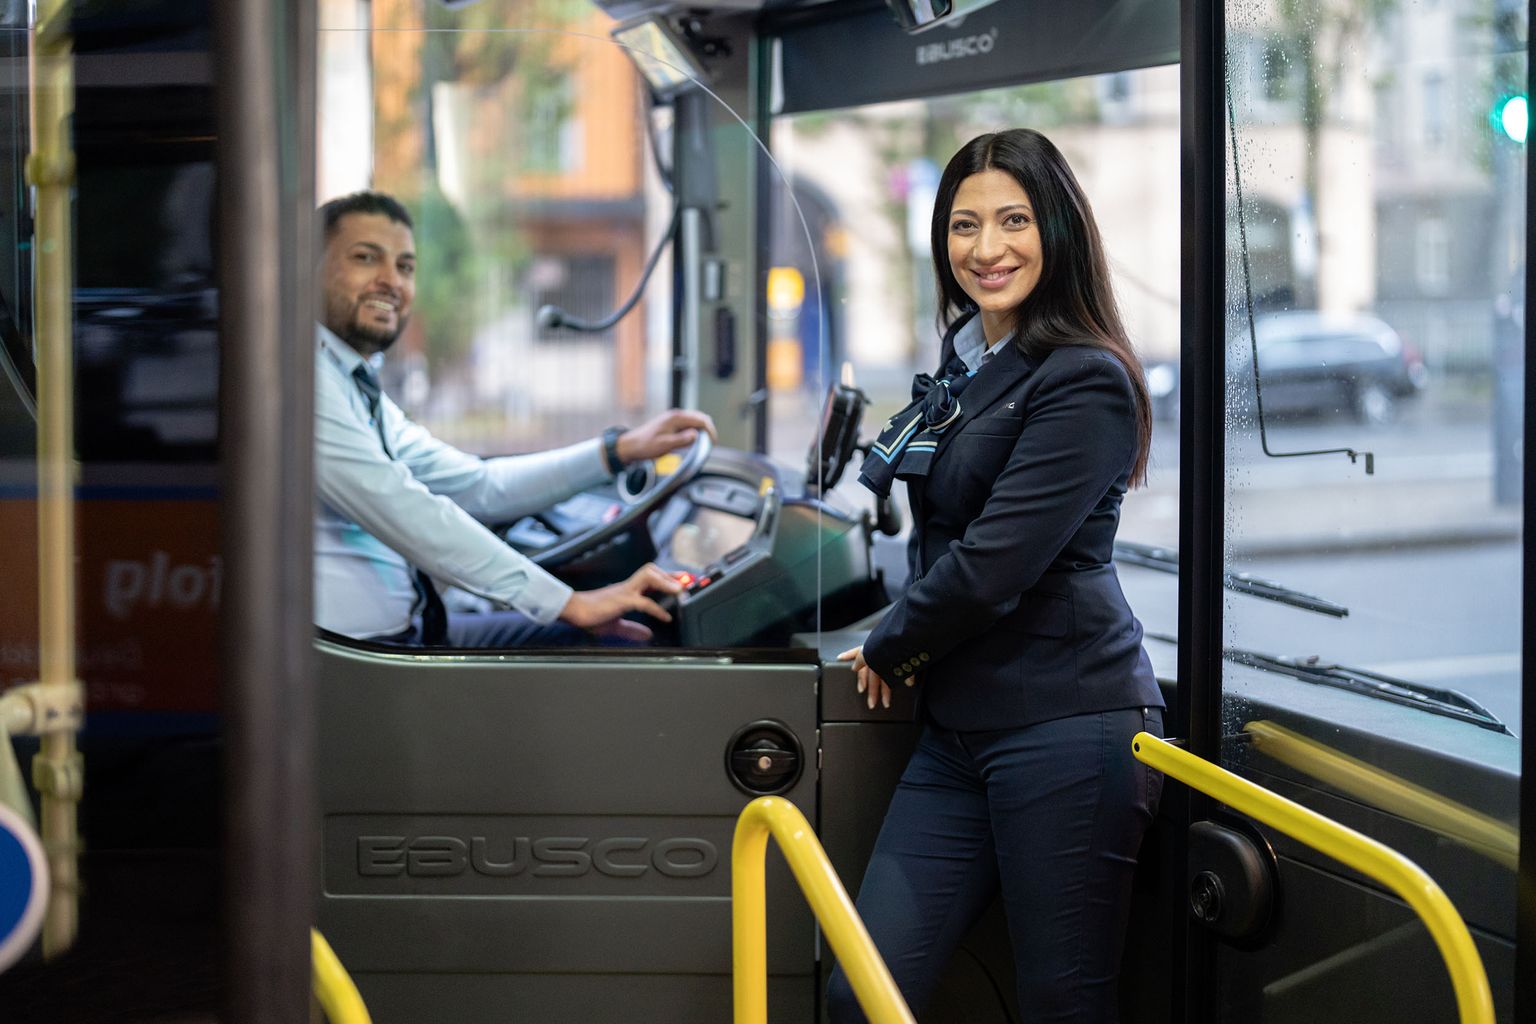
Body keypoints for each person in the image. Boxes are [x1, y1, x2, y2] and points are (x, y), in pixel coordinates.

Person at [826, 130, 1165, 1022]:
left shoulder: (1084, 380)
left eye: (1013, 220)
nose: (986, 249)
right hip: (959, 729)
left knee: (1062, 1004)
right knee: (861, 989)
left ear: (1057, 229)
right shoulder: (968, 360)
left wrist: (892, 641)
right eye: (964, 225)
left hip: (1065, 724)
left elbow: (992, 567)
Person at [314, 190, 713, 647]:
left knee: (615, 638)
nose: (391, 281)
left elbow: (481, 485)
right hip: (351, 658)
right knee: (618, 643)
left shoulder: (353, 384)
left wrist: (617, 451)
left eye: (405, 267)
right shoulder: (303, 380)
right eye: (366, 258)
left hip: (400, 636)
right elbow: (404, 508)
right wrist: (572, 604)